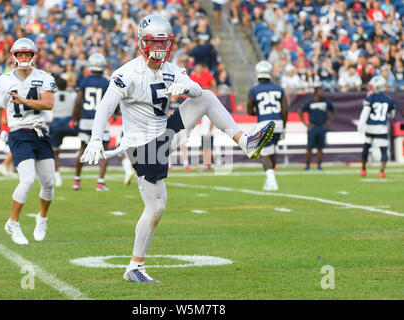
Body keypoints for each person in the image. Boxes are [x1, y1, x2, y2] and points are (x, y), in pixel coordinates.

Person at [80, 15, 275, 283]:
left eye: (164, 43)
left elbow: (195, 88)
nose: (159, 49)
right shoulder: (126, 74)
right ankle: (135, 266)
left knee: (205, 96)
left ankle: (245, 140)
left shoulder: (171, 69)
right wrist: (95, 138)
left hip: (165, 134)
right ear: (142, 42)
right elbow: (105, 105)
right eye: (154, 42)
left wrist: (189, 87)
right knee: (157, 205)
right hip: (142, 146)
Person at [0, 38, 56, 245]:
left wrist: (25, 101)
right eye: (21, 54)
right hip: (18, 133)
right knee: (27, 179)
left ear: (34, 56)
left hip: (40, 132)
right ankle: (13, 223)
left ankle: (42, 218)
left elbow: (48, 104)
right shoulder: (4, 80)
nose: (24, 58)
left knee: (49, 183)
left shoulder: (44, 77)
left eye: (28, 54)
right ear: (14, 56)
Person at [70, 53, 110, 191]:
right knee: (104, 150)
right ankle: (100, 182)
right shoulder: (106, 82)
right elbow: (112, 101)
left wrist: (75, 118)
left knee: (82, 149)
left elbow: (78, 100)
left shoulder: (85, 81)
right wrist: (115, 113)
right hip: (102, 119)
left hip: (86, 118)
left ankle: (76, 180)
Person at [247, 60, 288, 191]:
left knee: (264, 153)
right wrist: (284, 126)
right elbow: (285, 110)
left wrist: (258, 111)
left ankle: (272, 181)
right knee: (272, 151)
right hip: (278, 122)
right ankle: (270, 180)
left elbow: (249, 110)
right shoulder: (279, 88)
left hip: (264, 122)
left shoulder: (253, 90)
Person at [357, 76, 395, 178]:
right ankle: (382, 171)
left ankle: (363, 169)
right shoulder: (389, 100)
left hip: (370, 126)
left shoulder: (370, 98)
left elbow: (365, 113)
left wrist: (360, 125)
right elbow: (392, 115)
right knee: (383, 150)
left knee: (366, 147)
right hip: (382, 127)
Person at [299, 86, 336, 171]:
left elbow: (334, 111)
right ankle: (307, 165)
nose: (323, 93)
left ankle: (319, 165)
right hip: (313, 127)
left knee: (320, 147)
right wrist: (305, 123)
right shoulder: (310, 102)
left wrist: (329, 122)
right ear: (316, 93)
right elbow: (300, 111)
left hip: (322, 127)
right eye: (321, 92)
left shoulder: (326, 102)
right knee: (309, 147)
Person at [49, 76, 78, 187]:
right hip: (69, 123)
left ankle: (58, 178)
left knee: (55, 153)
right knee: (84, 138)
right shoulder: (73, 95)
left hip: (56, 124)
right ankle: (80, 152)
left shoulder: (52, 96)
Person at [0, 109, 14, 177]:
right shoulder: (5, 109)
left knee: (11, 151)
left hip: (9, 131)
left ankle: (8, 170)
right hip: (6, 132)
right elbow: (3, 120)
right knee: (13, 150)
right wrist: (15, 122)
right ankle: (3, 165)